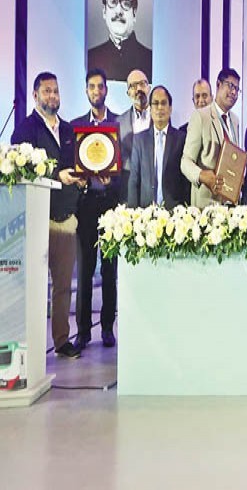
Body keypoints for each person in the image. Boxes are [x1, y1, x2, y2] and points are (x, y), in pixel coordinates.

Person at [12, 72, 86, 359]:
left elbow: (78, 165)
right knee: (30, 286)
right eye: (46, 91)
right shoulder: (25, 130)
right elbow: (22, 170)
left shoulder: (69, 131)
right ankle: (27, 343)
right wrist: (58, 175)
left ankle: (61, 340)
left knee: (63, 287)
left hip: (66, 220)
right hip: (36, 220)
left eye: (55, 91)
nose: (52, 96)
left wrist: (81, 178)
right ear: (35, 95)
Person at [71, 69, 120, 350]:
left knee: (110, 270)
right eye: (91, 87)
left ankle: (107, 329)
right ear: (86, 91)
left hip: (111, 207)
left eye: (100, 86)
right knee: (87, 270)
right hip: (86, 206)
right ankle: (83, 332)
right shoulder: (76, 127)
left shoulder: (118, 124)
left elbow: (123, 167)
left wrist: (112, 179)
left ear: (106, 91)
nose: (96, 91)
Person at [181, 68, 242, 208]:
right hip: (206, 205)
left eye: (237, 89)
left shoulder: (235, 120)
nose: (233, 92)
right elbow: (185, 162)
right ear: (218, 85)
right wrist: (202, 175)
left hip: (231, 204)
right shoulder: (201, 116)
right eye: (230, 85)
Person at [127, 85, 189, 209]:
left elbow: (185, 181)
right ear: (150, 109)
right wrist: (132, 213)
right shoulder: (140, 140)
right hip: (145, 213)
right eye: (155, 103)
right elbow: (134, 179)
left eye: (163, 103)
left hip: (174, 213)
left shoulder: (181, 139)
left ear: (170, 109)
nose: (159, 108)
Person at [87, 0, 152, 82]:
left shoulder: (149, 58)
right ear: (104, 11)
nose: (119, 11)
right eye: (113, 2)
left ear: (134, 14)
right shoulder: (90, 57)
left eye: (126, 4)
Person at [116, 69, 152, 199]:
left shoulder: (161, 118)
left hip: (154, 190)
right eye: (133, 86)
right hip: (128, 193)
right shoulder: (118, 122)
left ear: (149, 87)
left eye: (142, 84)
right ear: (128, 93)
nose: (138, 89)